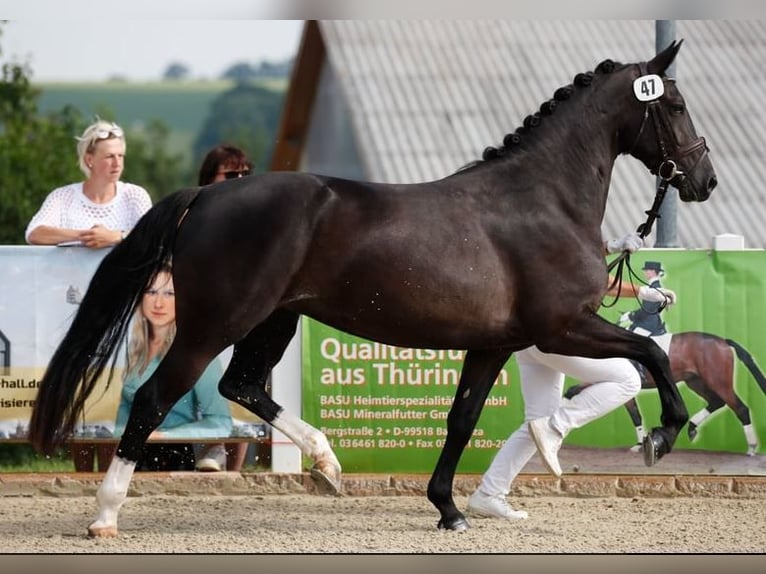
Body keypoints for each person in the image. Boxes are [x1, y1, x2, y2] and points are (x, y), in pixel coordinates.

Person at [466, 233, 677, 521]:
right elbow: (583, 273)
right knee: (629, 379)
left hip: (527, 343)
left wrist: (639, 288)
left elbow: (586, 269)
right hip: (556, 336)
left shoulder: (539, 235)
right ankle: (557, 426)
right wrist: (617, 258)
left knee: (534, 423)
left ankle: (488, 495)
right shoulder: (560, 235)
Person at [113, 264, 233, 471]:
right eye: (151, 292)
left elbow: (221, 423)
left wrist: (164, 436)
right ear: (140, 299)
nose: (159, 303)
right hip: (132, 455)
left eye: (170, 293)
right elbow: (121, 423)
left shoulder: (196, 354)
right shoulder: (131, 354)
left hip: (178, 454)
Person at [191, 144, 254, 472]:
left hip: (243, 312)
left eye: (246, 174)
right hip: (203, 310)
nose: (241, 179)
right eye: (231, 174)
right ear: (209, 178)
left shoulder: (260, 217)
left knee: (242, 380)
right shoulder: (194, 213)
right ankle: (211, 446)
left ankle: (235, 468)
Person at [25, 119, 152, 248]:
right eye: (109, 156)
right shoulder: (62, 197)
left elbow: (153, 236)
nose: (117, 163)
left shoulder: (135, 195)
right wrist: (86, 236)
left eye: (120, 156)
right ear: (89, 159)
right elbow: (34, 234)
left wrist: (116, 237)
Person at [620, 260, 672, 337]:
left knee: (627, 337)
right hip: (649, 321)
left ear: (653, 272)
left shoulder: (655, 288)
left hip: (648, 324)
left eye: (647, 270)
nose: (645, 272)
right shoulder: (654, 286)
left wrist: (630, 315)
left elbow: (647, 309)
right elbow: (659, 307)